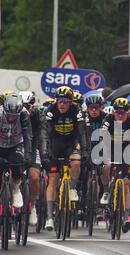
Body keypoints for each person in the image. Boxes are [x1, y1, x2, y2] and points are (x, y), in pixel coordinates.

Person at [0, 93, 32, 240]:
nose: (11, 118)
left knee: (17, 166)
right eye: (9, 115)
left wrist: (28, 156)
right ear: (4, 109)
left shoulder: (24, 114)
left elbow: (28, 136)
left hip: (15, 145)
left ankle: (16, 189)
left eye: (14, 115)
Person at [43, 86, 88, 231]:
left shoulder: (76, 110)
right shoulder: (50, 110)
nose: (61, 104)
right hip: (55, 144)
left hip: (71, 142)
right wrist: (46, 150)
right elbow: (45, 133)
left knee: (76, 162)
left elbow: (82, 132)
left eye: (65, 102)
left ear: (71, 102)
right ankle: (49, 217)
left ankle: (73, 187)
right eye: (59, 101)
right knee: (53, 179)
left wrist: (85, 150)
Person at [101, 98, 130, 233]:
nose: (120, 115)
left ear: (127, 113)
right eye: (117, 113)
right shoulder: (108, 120)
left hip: (126, 150)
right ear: (113, 112)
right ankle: (106, 191)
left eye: (123, 113)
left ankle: (126, 217)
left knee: (126, 183)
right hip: (111, 148)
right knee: (107, 166)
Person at [19, 91, 48, 226]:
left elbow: (42, 136)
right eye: (24, 105)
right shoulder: (14, 113)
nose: (27, 108)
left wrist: (43, 155)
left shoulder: (38, 116)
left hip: (34, 145)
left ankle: (33, 205)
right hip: (17, 144)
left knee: (35, 177)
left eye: (29, 105)